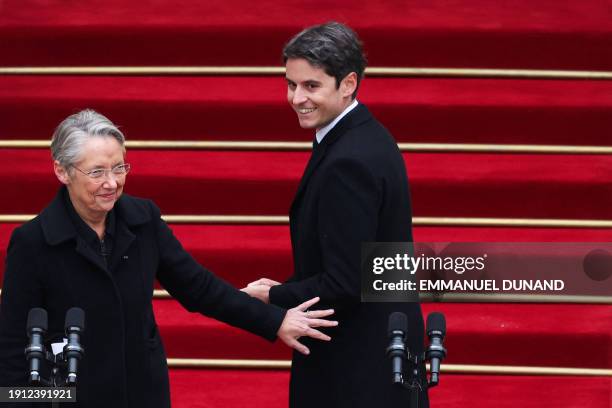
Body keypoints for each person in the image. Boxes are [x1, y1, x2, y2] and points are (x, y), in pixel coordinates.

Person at [0, 109, 337, 408]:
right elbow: (14, 343)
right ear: (62, 171)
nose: (112, 183)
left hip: (143, 393)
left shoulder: (142, 219)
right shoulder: (33, 243)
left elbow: (198, 287)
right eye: (97, 172)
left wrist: (273, 320)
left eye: (119, 167)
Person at [242, 22, 429, 407]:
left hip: (356, 362)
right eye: (291, 84)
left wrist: (273, 295)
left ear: (348, 84)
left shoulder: (348, 161)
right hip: (379, 346)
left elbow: (346, 283)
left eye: (311, 86)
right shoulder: (365, 135)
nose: (296, 98)